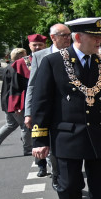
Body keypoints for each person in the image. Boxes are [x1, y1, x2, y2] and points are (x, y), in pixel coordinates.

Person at [31, 17, 101, 199]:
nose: (98, 42)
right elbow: (42, 101)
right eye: (94, 37)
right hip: (68, 137)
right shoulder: (54, 62)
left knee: (100, 195)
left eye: (100, 37)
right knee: (69, 189)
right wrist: (39, 139)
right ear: (77, 37)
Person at [25, 24, 71, 187]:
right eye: (63, 35)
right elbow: (32, 86)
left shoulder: (73, 54)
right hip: (46, 108)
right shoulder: (40, 56)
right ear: (53, 37)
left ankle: (61, 175)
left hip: (66, 110)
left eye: (69, 35)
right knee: (50, 147)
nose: (68, 38)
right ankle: (56, 175)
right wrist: (29, 112)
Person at [0, 48, 32, 158]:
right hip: (15, 102)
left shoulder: (8, 68)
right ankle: (28, 149)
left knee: (11, 124)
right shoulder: (17, 69)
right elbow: (16, 88)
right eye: (25, 56)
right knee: (25, 125)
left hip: (7, 101)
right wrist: (17, 105)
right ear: (20, 56)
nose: (27, 59)